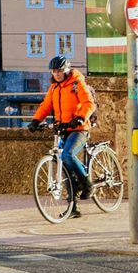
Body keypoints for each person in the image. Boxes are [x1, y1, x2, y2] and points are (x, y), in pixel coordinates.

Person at [30, 55, 97, 207]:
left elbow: (89, 103)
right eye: (54, 71)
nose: (57, 73)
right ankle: (73, 207)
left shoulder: (77, 83)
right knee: (65, 166)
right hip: (63, 128)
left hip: (79, 129)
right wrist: (35, 121)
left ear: (66, 70)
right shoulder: (54, 88)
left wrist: (80, 117)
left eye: (60, 70)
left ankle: (87, 184)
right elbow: (46, 106)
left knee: (67, 154)